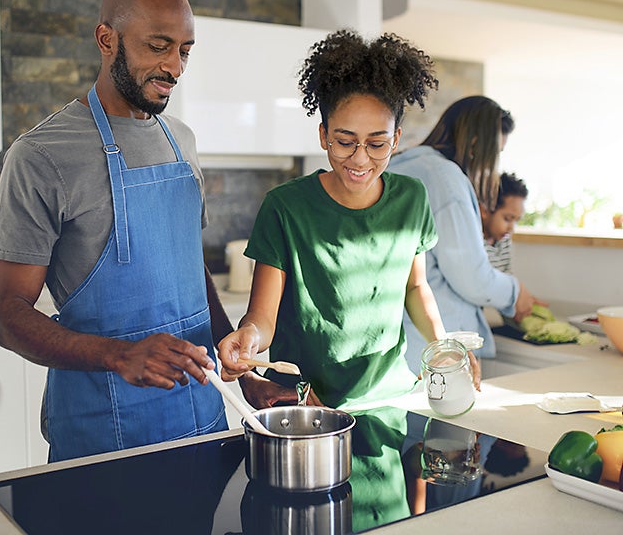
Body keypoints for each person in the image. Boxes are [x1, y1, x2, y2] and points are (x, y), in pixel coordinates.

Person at [0, 0, 231, 462]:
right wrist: (118, 355)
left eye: (184, 50)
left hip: (203, 416)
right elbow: (6, 314)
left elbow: (188, 264)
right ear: (106, 39)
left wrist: (233, 354)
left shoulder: (181, 141)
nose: (174, 67)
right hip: (103, 435)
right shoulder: (41, 155)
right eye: (158, 46)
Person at [216, 29, 451, 411]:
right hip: (304, 404)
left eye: (376, 143)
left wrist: (442, 344)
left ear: (396, 139)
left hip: (387, 401)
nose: (360, 159)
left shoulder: (411, 198)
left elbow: (415, 287)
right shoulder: (285, 206)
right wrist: (248, 337)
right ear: (324, 135)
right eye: (345, 141)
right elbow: (263, 315)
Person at [389, 96, 538, 369]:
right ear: (474, 144)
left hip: (396, 345)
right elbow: (471, 276)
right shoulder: (446, 180)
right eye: (496, 152)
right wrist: (515, 293)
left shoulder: (400, 166)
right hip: (433, 350)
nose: (493, 164)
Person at [482, 172, 529, 274]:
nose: (511, 228)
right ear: (485, 210)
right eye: (507, 219)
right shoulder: (475, 243)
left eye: (516, 220)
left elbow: (507, 276)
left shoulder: (504, 240)